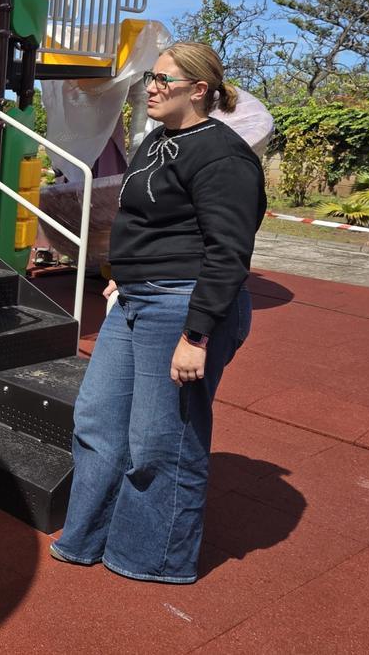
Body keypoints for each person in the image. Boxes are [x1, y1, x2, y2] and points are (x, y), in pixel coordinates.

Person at [51, 40, 266, 584]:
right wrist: (123, 274)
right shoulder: (156, 142)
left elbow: (228, 250)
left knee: (161, 440)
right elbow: (146, 222)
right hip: (135, 299)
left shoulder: (223, 154)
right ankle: (86, 539)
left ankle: (152, 556)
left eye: (163, 80)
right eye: (150, 77)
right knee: (97, 418)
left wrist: (198, 335)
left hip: (181, 306)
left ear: (199, 90)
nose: (150, 87)